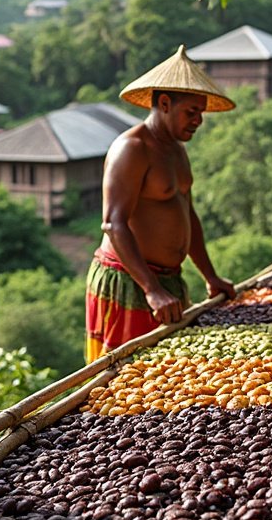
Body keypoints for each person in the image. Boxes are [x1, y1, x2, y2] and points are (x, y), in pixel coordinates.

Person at [85, 45, 238, 362]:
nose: (198, 121)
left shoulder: (177, 149)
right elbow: (114, 223)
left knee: (164, 379)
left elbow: (188, 216)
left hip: (168, 280)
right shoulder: (132, 148)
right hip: (130, 282)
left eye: (201, 113)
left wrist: (210, 276)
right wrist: (151, 289)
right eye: (191, 112)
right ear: (165, 104)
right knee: (125, 381)